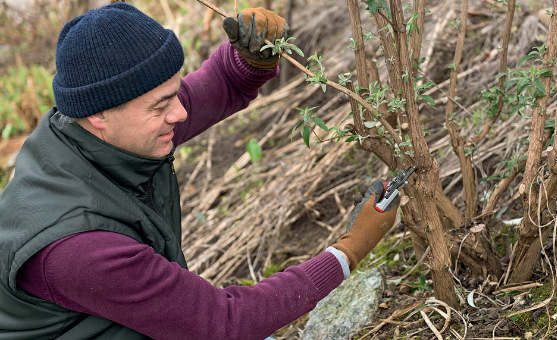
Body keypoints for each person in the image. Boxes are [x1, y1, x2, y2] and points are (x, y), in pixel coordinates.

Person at [0, 3, 400, 340]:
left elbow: (219, 85)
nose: (180, 113)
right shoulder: (77, 246)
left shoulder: (93, 132)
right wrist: (347, 251)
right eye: (160, 106)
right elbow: (223, 324)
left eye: (173, 93)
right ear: (98, 115)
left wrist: (251, 59)